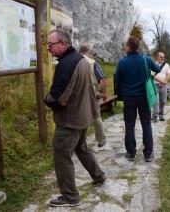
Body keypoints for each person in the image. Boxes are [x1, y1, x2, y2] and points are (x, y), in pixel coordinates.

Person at [44, 30, 107, 207]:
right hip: (82, 115)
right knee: (82, 148)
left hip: (69, 120)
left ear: (63, 44)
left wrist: (46, 98)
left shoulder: (66, 65)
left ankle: (71, 197)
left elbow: (58, 97)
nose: (48, 48)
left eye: (51, 44)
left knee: (62, 156)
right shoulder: (79, 59)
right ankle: (99, 176)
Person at [114, 36, 161, 162]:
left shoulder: (122, 62)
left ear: (129, 47)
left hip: (129, 97)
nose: (124, 47)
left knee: (129, 124)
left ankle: (131, 153)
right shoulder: (146, 59)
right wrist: (149, 75)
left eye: (125, 45)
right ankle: (148, 154)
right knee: (146, 123)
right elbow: (158, 69)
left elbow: (117, 80)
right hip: (144, 97)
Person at [79, 42, 107, 147]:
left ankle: (81, 142)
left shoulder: (74, 61)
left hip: (78, 94)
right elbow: (102, 79)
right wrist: (104, 94)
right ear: (89, 51)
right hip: (93, 93)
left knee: (80, 118)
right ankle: (101, 140)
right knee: (96, 117)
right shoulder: (93, 63)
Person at [151, 52, 170, 121]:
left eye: (163, 57)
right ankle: (155, 115)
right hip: (155, 85)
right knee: (156, 101)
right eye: (161, 56)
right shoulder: (153, 64)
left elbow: (168, 75)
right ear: (157, 56)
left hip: (164, 85)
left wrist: (163, 82)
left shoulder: (166, 65)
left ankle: (161, 115)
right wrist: (161, 81)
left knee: (163, 100)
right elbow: (152, 75)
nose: (162, 58)